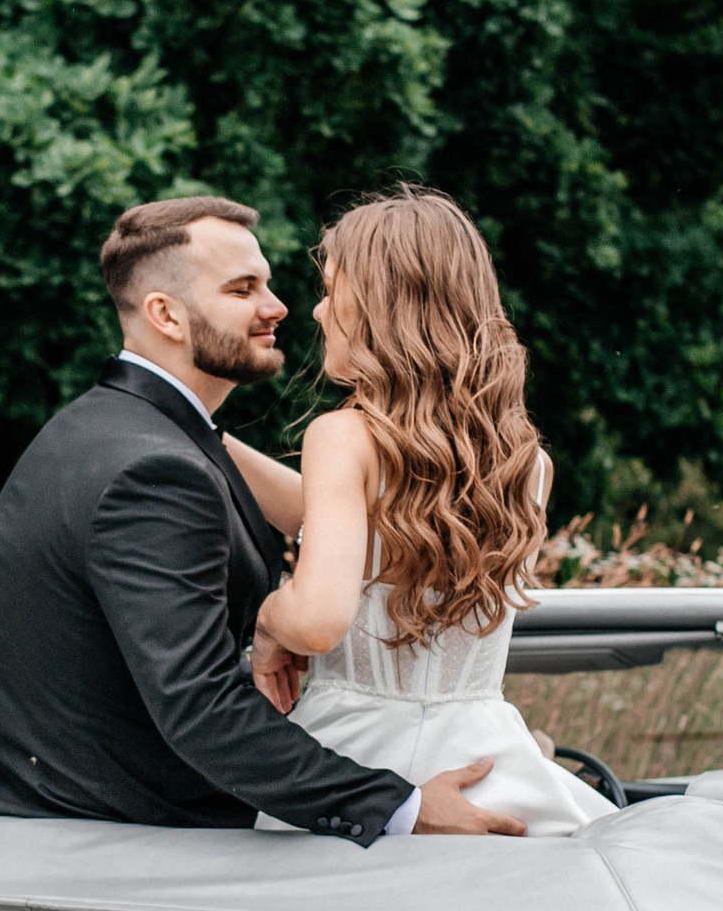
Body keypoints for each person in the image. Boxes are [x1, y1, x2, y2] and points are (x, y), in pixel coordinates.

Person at [0, 196, 526, 839]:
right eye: (243, 289)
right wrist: (401, 809)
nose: (281, 308)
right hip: (108, 834)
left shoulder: (135, 433)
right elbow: (200, 706)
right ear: (166, 314)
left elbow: (357, 514)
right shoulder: (150, 470)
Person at [242, 189, 607, 834]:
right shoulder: (527, 466)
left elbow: (319, 621)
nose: (318, 311)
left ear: (381, 303)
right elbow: (364, 529)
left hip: (360, 758)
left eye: (330, 289)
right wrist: (210, 441)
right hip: (490, 763)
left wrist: (271, 620)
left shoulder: (341, 436)